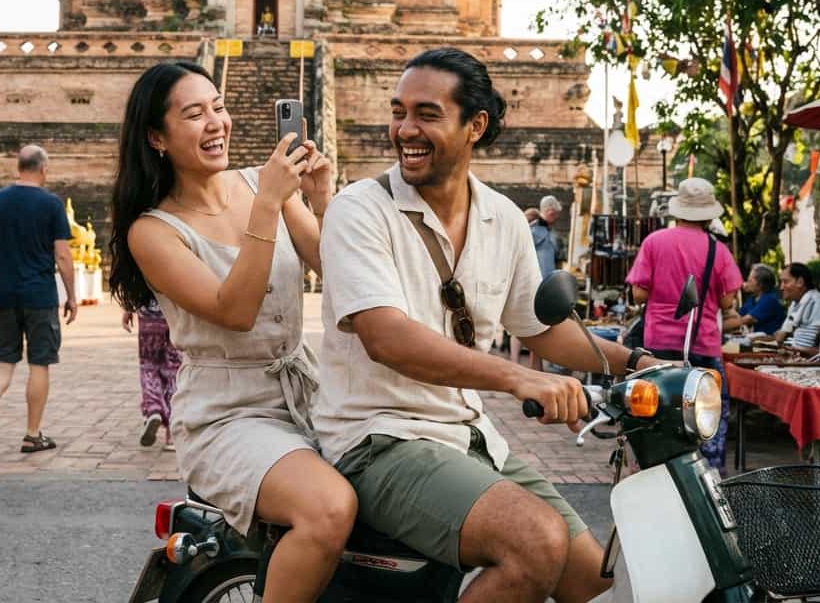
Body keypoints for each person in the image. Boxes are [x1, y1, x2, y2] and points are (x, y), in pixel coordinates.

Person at [316, 48, 665, 603]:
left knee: (595, 581)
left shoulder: (501, 216)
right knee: (535, 542)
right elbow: (385, 337)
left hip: (470, 436)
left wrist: (638, 362)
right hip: (377, 437)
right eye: (398, 111)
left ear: (475, 125)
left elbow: (540, 326)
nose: (406, 129)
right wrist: (516, 379)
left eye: (427, 114)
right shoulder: (358, 209)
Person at [109, 61, 356, 602]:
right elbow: (235, 309)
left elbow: (335, 267)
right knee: (328, 507)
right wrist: (267, 204)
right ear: (156, 137)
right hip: (227, 416)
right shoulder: (152, 231)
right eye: (194, 114)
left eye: (218, 107)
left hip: (305, 392)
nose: (216, 122)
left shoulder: (258, 183)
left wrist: (321, 197)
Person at [626, 177, 743, 472]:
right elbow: (728, 303)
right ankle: (708, 474)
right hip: (702, 344)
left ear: (678, 211)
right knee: (709, 413)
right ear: (708, 214)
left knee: (656, 413)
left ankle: (653, 471)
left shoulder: (654, 242)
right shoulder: (719, 251)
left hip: (657, 346)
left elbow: (639, 293)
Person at [0, 145, 76, 455]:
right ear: (43, 169)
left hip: (4, 294)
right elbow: (63, 255)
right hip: (40, 296)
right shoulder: (51, 204)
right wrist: (71, 295)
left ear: (18, 167)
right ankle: (32, 434)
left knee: (4, 360)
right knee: (39, 363)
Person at [122, 300, 181, 450]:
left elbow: (134, 277)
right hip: (174, 311)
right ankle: (172, 435)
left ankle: (154, 410)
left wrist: (128, 307)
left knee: (149, 366)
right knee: (173, 370)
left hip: (148, 312)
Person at [777, 262, 820, 352]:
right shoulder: (796, 303)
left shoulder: (816, 302)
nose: (781, 287)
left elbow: (819, 349)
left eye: (785, 282)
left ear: (800, 282)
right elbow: (781, 338)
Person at [735, 263, 786, 336]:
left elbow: (748, 319)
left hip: (772, 343)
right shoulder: (752, 299)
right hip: (760, 341)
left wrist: (720, 325)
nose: (746, 283)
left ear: (760, 284)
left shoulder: (770, 299)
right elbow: (737, 316)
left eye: (749, 280)